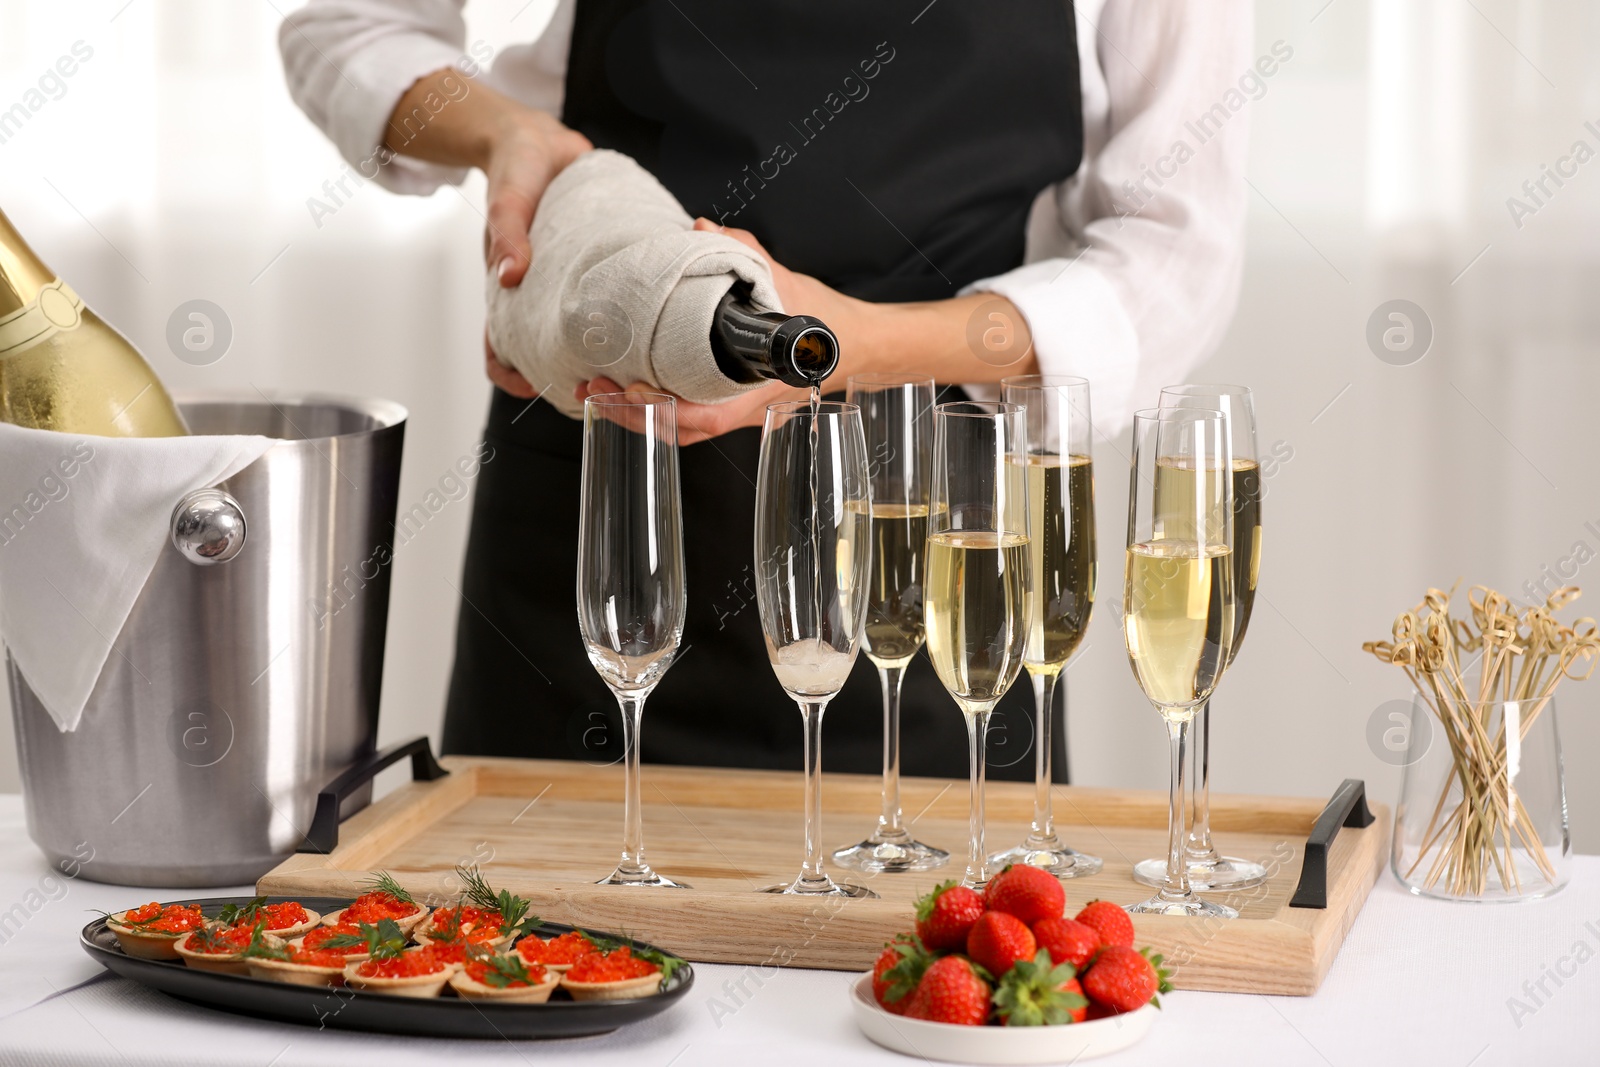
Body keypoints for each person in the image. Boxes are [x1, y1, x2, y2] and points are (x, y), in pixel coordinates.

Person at [279, 0, 1252, 782]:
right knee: (530, 958)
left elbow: (1172, 259)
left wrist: (852, 346)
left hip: (930, 533)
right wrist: (508, 135)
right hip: (608, 483)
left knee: (927, 966)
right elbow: (349, 27)